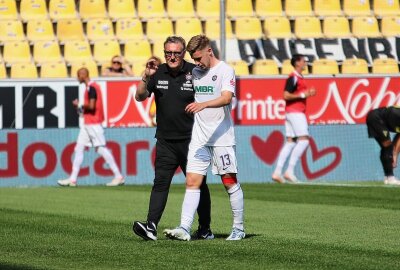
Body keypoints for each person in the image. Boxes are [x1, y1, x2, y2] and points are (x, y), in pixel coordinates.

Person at [163, 35, 245, 241]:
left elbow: (227, 98)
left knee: (229, 182)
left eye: (198, 57)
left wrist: (204, 104)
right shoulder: (196, 71)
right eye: (193, 58)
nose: (196, 62)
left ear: (209, 50)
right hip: (199, 137)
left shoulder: (225, 70)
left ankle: (238, 228)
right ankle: (184, 227)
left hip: (221, 137)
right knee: (192, 181)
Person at [132, 36, 213, 241]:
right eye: (168, 52)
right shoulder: (157, 71)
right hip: (165, 141)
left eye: (176, 53)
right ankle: (151, 226)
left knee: (198, 185)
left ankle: (205, 228)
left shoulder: (194, 72)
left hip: (192, 140)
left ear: (184, 52)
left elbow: (208, 99)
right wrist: (145, 77)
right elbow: (140, 97)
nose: (172, 56)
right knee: (160, 183)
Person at [57, 68, 124, 187]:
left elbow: (92, 106)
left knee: (100, 149)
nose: (78, 78)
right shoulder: (91, 87)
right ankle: (72, 179)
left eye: (78, 75)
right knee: (79, 148)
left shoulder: (91, 87)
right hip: (88, 124)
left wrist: (80, 105)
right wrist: (80, 108)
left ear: (83, 75)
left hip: (93, 123)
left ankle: (118, 176)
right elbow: (88, 109)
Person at [271, 54, 316, 184]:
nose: (305, 63)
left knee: (290, 141)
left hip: (290, 112)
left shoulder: (299, 78)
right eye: (303, 61)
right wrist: (304, 94)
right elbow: (286, 95)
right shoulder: (294, 77)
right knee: (304, 140)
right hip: (296, 112)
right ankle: (289, 171)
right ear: (297, 63)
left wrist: (306, 94)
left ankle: (277, 172)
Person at [366, 106, 400, 185]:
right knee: (387, 147)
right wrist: (394, 154)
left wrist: (394, 154)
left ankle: (387, 177)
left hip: (376, 118)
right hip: (376, 118)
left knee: (387, 148)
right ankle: (390, 178)